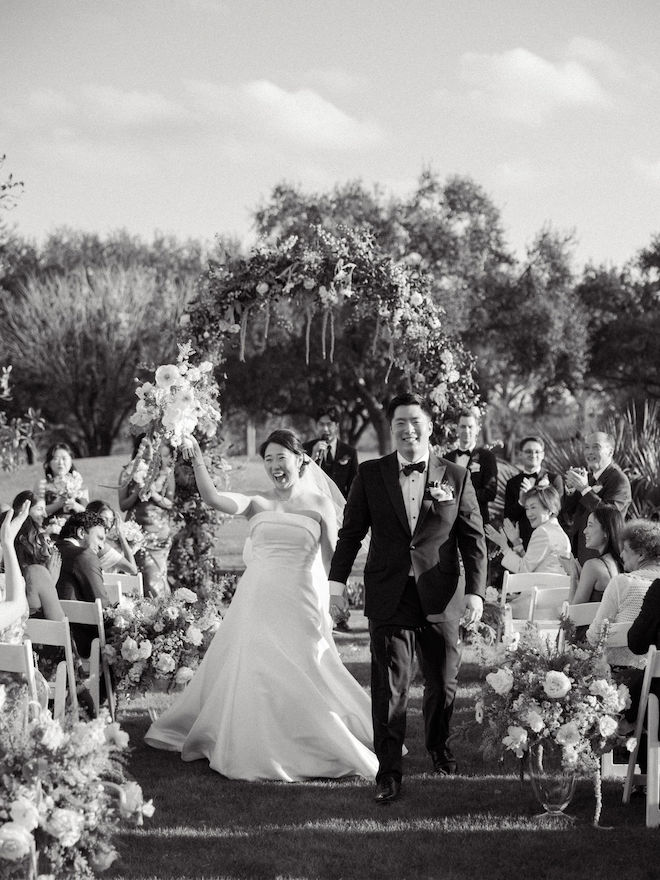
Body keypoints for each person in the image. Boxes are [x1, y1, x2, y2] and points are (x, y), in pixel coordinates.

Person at [145, 429, 378, 782]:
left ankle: (311, 737)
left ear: (300, 460)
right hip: (256, 598)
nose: (274, 466)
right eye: (268, 459)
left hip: (301, 599)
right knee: (255, 666)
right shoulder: (256, 502)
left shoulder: (320, 505)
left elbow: (332, 557)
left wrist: (336, 595)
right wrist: (196, 459)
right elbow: (212, 497)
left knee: (307, 667)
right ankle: (254, 743)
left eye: (281, 457)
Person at [328, 392, 486, 803]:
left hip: (442, 594)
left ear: (429, 426)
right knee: (389, 686)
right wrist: (336, 587)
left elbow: (473, 540)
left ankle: (439, 748)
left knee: (443, 681)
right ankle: (388, 772)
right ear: (391, 427)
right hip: (390, 594)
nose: (408, 429)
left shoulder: (457, 476)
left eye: (415, 421)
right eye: (399, 422)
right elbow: (351, 534)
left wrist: (476, 593)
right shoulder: (370, 473)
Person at [586, 520, 660, 675]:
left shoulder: (623, 582)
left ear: (641, 555)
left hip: (617, 675)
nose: (621, 555)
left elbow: (595, 636)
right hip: (654, 677)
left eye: (625, 550)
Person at [562, 431, 631, 565]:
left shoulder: (619, 479)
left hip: (602, 555)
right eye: (587, 447)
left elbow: (611, 515)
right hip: (580, 551)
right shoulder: (587, 478)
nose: (590, 452)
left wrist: (584, 489)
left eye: (596, 447)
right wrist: (571, 489)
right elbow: (568, 513)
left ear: (610, 452)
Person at [118, 439, 175, 596]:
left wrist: (154, 494)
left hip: (158, 534)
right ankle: (140, 609)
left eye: (154, 446)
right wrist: (137, 492)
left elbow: (170, 503)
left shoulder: (166, 473)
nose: (150, 451)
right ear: (138, 448)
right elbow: (123, 505)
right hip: (136, 533)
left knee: (157, 576)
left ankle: (163, 607)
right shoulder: (127, 472)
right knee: (140, 577)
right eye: (145, 447)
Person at [55, 510, 109, 659]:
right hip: (81, 644)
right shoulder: (84, 555)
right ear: (81, 532)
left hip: (48, 636)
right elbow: (103, 605)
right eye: (99, 538)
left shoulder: (48, 551)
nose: (101, 546)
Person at [503, 436, 564, 549]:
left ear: (543, 454)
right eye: (528, 451)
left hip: (548, 538)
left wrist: (539, 493)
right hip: (522, 539)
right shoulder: (512, 483)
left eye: (537, 452)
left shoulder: (554, 479)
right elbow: (508, 516)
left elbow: (558, 511)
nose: (533, 455)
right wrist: (521, 502)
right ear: (520, 454)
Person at [444, 407, 497, 525]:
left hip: (477, 521)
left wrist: (462, 494)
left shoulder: (487, 457)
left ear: (477, 429)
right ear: (457, 429)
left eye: (470, 427)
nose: (466, 431)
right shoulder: (447, 458)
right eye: (463, 426)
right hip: (451, 522)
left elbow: (490, 493)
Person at [561, 505, 623, 604]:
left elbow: (574, 610)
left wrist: (574, 577)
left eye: (590, 525)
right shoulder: (620, 563)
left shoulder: (592, 566)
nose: (585, 531)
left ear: (606, 531)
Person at [303, 405, 358, 499]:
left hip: (340, 503)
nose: (325, 429)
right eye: (321, 424)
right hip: (313, 501)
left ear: (336, 425)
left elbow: (354, 486)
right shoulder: (305, 449)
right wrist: (312, 458)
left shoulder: (349, 452)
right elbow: (301, 479)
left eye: (329, 424)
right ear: (316, 425)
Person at [37, 441, 89, 519]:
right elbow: (38, 512)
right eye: (56, 459)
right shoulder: (42, 483)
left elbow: (88, 513)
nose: (60, 462)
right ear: (49, 462)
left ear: (71, 460)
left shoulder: (79, 482)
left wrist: (75, 506)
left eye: (64, 458)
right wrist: (59, 504)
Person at [86, 500, 138, 575]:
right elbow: (133, 570)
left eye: (111, 520)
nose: (108, 525)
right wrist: (121, 536)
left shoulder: (82, 537)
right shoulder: (100, 546)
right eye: (104, 519)